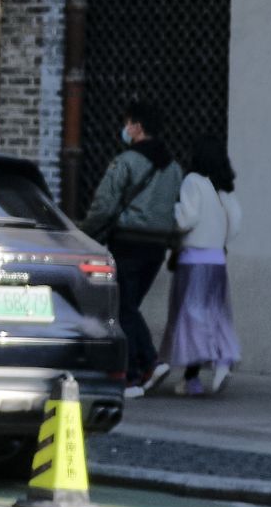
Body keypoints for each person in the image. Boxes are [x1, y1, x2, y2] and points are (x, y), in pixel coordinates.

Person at [82, 104, 182, 389]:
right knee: (129, 307)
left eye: (127, 123)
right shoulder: (174, 168)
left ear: (137, 127)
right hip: (156, 246)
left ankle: (145, 366)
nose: (125, 129)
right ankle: (140, 369)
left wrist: (85, 233)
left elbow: (104, 205)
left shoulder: (126, 161)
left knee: (123, 307)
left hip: (127, 241)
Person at [160, 150, 242, 395]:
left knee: (190, 317)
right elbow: (236, 222)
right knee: (215, 314)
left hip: (193, 260)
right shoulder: (223, 189)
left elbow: (187, 218)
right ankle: (217, 362)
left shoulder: (193, 181)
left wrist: (173, 215)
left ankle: (193, 378)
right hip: (217, 259)